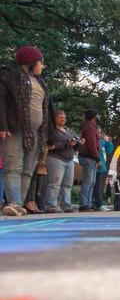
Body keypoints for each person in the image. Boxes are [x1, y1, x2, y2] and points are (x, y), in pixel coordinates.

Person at [0, 46, 53, 216]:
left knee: (28, 170)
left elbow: (48, 110)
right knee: (13, 167)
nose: (42, 66)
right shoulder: (9, 75)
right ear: (31, 62)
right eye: (40, 62)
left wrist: (50, 137)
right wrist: (2, 125)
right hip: (14, 129)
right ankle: (14, 203)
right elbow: (1, 100)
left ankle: (18, 205)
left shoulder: (40, 82)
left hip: (37, 132)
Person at [44, 109, 79, 213]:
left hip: (69, 160)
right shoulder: (51, 131)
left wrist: (78, 142)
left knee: (68, 184)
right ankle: (50, 205)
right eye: (60, 117)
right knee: (55, 183)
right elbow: (52, 146)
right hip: (56, 159)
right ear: (54, 118)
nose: (63, 119)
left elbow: (72, 144)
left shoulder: (67, 131)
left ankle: (67, 205)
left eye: (64, 117)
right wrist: (68, 144)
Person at [77, 109, 102, 212]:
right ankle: (84, 204)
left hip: (90, 157)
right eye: (98, 115)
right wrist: (97, 159)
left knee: (92, 181)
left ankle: (88, 203)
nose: (99, 117)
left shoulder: (91, 128)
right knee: (88, 181)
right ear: (94, 116)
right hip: (88, 157)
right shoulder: (90, 128)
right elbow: (91, 145)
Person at [93, 129, 113, 211]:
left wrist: (109, 142)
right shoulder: (96, 140)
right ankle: (96, 203)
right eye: (97, 131)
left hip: (101, 166)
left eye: (100, 132)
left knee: (98, 186)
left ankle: (97, 203)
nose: (99, 133)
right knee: (94, 185)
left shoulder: (102, 141)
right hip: (95, 165)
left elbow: (108, 151)